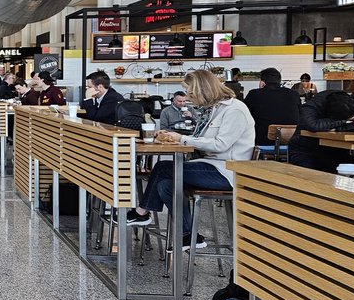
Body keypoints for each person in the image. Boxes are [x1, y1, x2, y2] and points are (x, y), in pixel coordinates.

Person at [126, 70, 255, 249]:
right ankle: (189, 235)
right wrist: (174, 135)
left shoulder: (235, 110)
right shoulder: (213, 110)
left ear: (203, 90)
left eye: (191, 92)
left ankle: (141, 213)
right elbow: (201, 139)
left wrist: (181, 139)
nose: (188, 97)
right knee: (164, 184)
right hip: (210, 165)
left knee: (163, 167)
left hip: (227, 171)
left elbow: (220, 145)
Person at [289, 89, 354, 172]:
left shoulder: (348, 103)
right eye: (351, 118)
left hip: (336, 150)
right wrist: (343, 122)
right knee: (312, 171)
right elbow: (312, 125)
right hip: (305, 151)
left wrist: (338, 128)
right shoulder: (311, 106)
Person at [243, 67, 302, 146]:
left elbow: (245, 116)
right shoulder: (294, 94)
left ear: (262, 81)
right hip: (291, 143)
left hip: (262, 142)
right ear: (279, 80)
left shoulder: (254, 94)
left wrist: (261, 89)